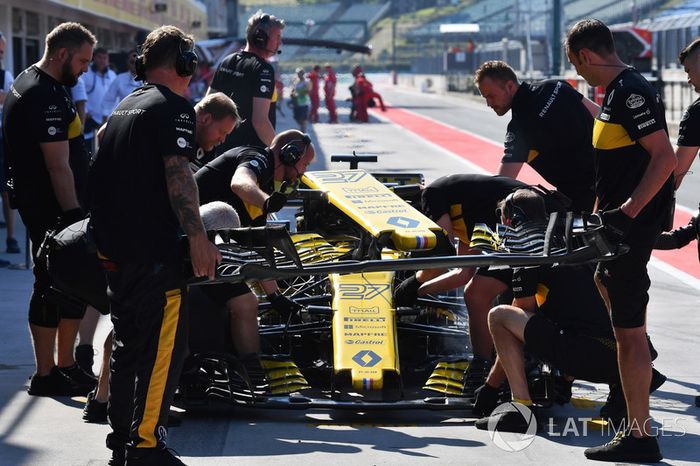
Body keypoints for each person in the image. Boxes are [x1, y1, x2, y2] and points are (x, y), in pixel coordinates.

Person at [90, 25, 221, 465]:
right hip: (153, 254)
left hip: (116, 253)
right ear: (182, 63)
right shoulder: (175, 109)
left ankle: (124, 442)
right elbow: (179, 176)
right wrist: (199, 238)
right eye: (191, 63)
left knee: (129, 349)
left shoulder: (125, 107)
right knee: (164, 352)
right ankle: (145, 447)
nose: (194, 72)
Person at [82, 90, 238, 425]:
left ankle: (108, 407)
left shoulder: (139, 109)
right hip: (143, 244)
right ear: (205, 118)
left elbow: (104, 135)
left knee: (128, 334)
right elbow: (106, 136)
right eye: (220, 132)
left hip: (122, 238)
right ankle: (143, 430)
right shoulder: (175, 117)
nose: (221, 141)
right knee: (154, 340)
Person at [565, 19, 676, 462]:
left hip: (628, 232)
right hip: (614, 231)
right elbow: (613, 168)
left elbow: (664, 158)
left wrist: (626, 215)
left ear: (586, 56)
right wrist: (597, 216)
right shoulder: (613, 93)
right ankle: (637, 393)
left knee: (628, 334)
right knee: (608, 293)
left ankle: (640, 436)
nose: (578, 73)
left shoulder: (630, 92)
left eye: (577, 65)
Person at [472, 189, 665, 432]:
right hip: (629, 356)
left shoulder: (529, 253)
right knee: (573, 319)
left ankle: (521, 409)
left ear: (510, 220)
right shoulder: (575, 241)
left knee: (499, 316)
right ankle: (618, 389)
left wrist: (490, 387)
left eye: (502, 218)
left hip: (589, 354)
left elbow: (514, 328)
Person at [3, 22, 97, 396]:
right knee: (51, 285)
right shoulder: (42, 94)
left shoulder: (42, 83)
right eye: (83, 61)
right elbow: (57, 166)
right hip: (52, 208)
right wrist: (75, 216)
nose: (87, 68)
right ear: (62, 54)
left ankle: (65, 366)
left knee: (69, 287)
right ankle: (46, 375)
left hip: (52, 204)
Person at [393, 174, 528, 394]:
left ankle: (482, 367)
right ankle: (496, 361)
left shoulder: (431, 194)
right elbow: (462, 272)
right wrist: (419, 290)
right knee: (476, 290)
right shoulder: (466, 209)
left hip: (525, 221)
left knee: (476, 294)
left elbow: (442, 256)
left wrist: (411, 283)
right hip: (533, 217)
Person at [194, 129, 315, 371]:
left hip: (201, 242)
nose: (305, 172)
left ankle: (242, 361)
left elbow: (258, 246)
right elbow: (239, 183)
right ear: (289, 156)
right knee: (245, 302)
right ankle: (252, 371)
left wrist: (276, 297)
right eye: (305, 163)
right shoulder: (256, 158)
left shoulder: (265, 183)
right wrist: (266, 201)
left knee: (246, 294)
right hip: (187, 242)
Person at [474, 60, 597, 213]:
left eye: (491, 96)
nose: (488, 103)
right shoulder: (555, 85)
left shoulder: (520, 127)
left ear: (510, 86)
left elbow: (503, 182)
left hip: (581, 200)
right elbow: (600, 115)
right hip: (614, 174)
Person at [207, 10, 284, 151]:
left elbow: (208, 104)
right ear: (260, 38)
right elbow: (260, 122)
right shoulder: (264, 70)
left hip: (220, 151)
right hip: (249, 155)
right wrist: (279, 150)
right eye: (277, 37)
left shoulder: (226, 61)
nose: (280, 42)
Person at [0, 31, 19, 255]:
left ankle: (11, 238)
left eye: (2, 52)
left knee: (7, 190)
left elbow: (11, 97)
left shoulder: (5, 75)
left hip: (3, 137)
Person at [81, 47, 115, 152]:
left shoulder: (112, 75)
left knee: (106, 148)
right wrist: (85, 112)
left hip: (107, 118)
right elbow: (80, 94)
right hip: (90, 118)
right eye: (99, 57)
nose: (102, 60)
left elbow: (115, 96)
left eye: (105, 58)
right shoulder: (85, 73)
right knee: (88, 148)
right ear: (93, 58)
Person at [101, 49, 142, 119]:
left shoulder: (149, 78)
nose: (135, 65)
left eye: (137, 62)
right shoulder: (120, 79)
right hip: (124, 119)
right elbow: (108, 100)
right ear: (127, 62)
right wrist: (105, 119)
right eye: (132, 62)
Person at [291, 67, 310, 132]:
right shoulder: (295, 81)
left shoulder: (306, 81)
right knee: (296, 117)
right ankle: (302, 128)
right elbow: (293, 90)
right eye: (298, 73)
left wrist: (300, 93)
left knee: (303, 119)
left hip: (304, 102)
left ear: (303, 73)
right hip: (297, 103)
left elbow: (309, 91)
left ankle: (303, 131)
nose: (299, 74)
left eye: (301, 73)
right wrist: (293, 94)